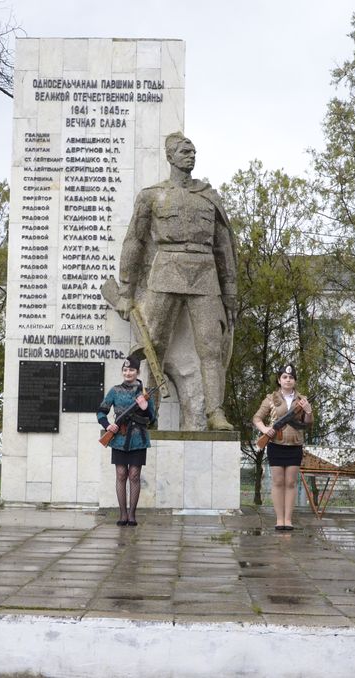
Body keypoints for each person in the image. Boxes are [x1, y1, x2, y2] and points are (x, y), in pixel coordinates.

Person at [114, 131, 237, 431]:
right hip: (166, 271)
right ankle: (150, 409)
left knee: (210, 345)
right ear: (169, 156)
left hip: (204, 275)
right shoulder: (152, 195)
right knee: (153, 344)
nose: (190, 155)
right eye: (184, 151)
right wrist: (126, 291)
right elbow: (134, 241)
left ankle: (215, 412)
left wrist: (230, 295)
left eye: (193, 151)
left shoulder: (209, 197)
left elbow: (224, 249)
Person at [252, 364, 313, 531]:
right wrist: (266, 430)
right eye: (284, 377)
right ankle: (279, 520)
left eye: (291, 377)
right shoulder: (271, 399)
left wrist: (308, 411)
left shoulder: (302, 399)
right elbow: (257, 418)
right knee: (278, 482)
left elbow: (307, 424)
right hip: (276, 446)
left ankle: (288, 519)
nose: (288, 380)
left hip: (294, 445)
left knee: (291, 483)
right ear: (279, 380)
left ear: (294, 381)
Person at [97, 356, 157, 526]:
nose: (127, 373)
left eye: (131, 370)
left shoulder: (144, 393)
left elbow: (153, 420)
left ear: (137, 372)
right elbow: (101, 411)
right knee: (121, 474)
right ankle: (122, 514)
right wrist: (108, 425)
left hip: (139, 440)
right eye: (125, 370)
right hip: (119, 439)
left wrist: (145, 409)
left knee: (134, 475)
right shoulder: (115, 391)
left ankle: (132, 515)